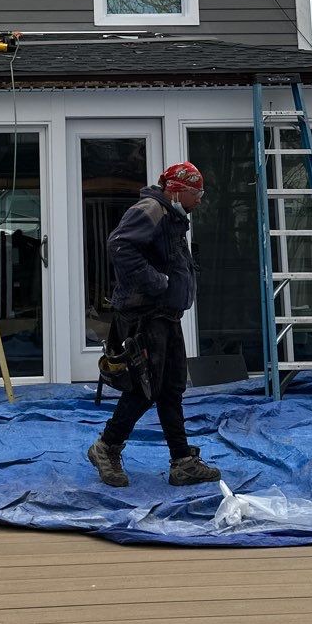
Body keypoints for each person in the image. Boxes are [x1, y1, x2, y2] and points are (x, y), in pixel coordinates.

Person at [87, 161, 221, 489]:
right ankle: (106, 447)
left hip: (166, 317)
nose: (200, 199)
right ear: (177, 190)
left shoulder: (173, 217)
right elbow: (119, 245)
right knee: (145, 388)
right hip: (144, 317)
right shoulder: (151, 210)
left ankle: (182, 462)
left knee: (171, 387)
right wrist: (158, 282)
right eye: (196, 192)